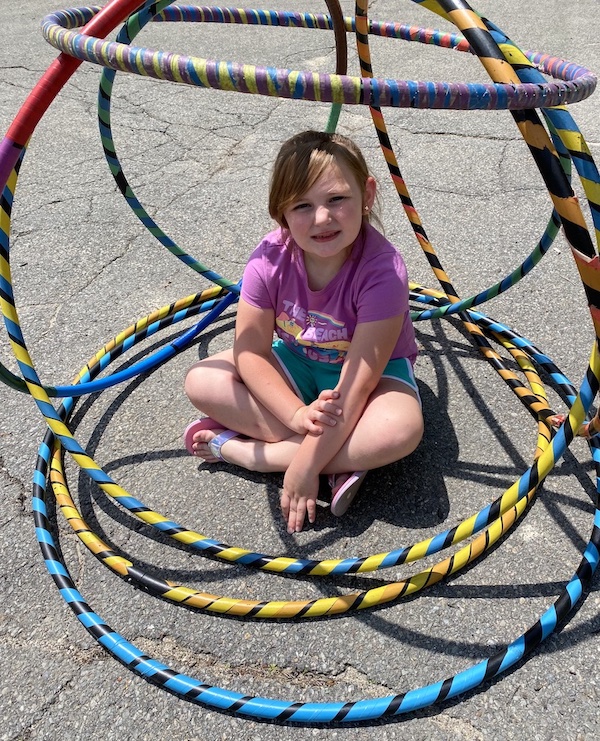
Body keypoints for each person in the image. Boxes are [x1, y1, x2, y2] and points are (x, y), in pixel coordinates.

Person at [183, 130, 423, 534]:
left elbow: (356, 388)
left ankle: (249, 452)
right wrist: (296, 415)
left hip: (372, 378)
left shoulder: (383, 271)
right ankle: (344, 459)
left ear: (367, 194)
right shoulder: (269, 259)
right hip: (297, 363)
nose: (322, 219)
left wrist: (303, 468)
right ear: (282, 214)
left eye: (337, 199)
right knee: (202, 380)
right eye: (302, 206)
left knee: (402, 430)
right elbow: (251, 352)